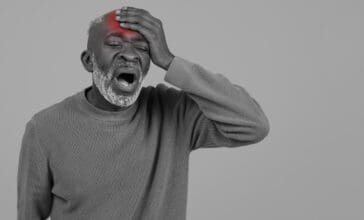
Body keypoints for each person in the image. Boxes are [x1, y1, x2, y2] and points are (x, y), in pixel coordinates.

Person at [17, 6, 270, 220]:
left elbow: (254, 124)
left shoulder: (174, 113)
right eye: (114, 43)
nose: (130, 55)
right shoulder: (44, 128)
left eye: (143, 48)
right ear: (88, 61)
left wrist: (171, 61)